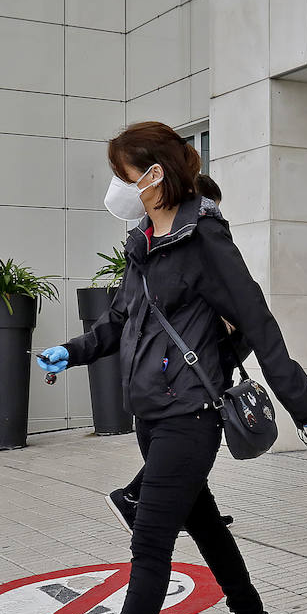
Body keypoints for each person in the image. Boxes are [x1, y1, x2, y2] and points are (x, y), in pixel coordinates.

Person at [36, 122, 307, 614]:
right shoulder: (142, 241)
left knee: (151, 545)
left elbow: (257, 320)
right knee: (205, 523)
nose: (118, 186)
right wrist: (77, 349)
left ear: (156, 175)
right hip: (152, 412)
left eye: (124, 173)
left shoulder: (204, 239)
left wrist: (300, 401)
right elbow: (120, 322)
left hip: (191, 415)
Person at [104, 171, 237, 533]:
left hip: (187, 384)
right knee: (180, 459)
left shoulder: (195, 241)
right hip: (182, 386)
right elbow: (126, 316)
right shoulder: (160, 247)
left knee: (189, 477)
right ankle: (134, 497)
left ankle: (158, 500)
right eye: (208, 208)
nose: (211, 216)